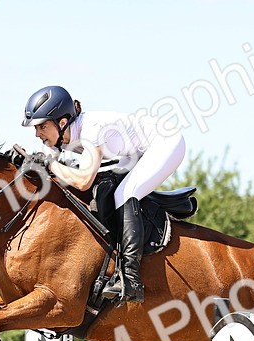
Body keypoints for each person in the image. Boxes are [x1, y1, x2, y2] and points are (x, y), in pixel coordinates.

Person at [21, 85, 186, 304]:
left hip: (165, 142)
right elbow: (57, 172)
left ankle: (130, 279)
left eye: (42, 126)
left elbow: (82, 180)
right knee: (105, 191)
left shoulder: (91, 129)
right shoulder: (60, 139)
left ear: (62, 123)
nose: (37, 133)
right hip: (132, 154)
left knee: (125, 194)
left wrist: (49, 164)